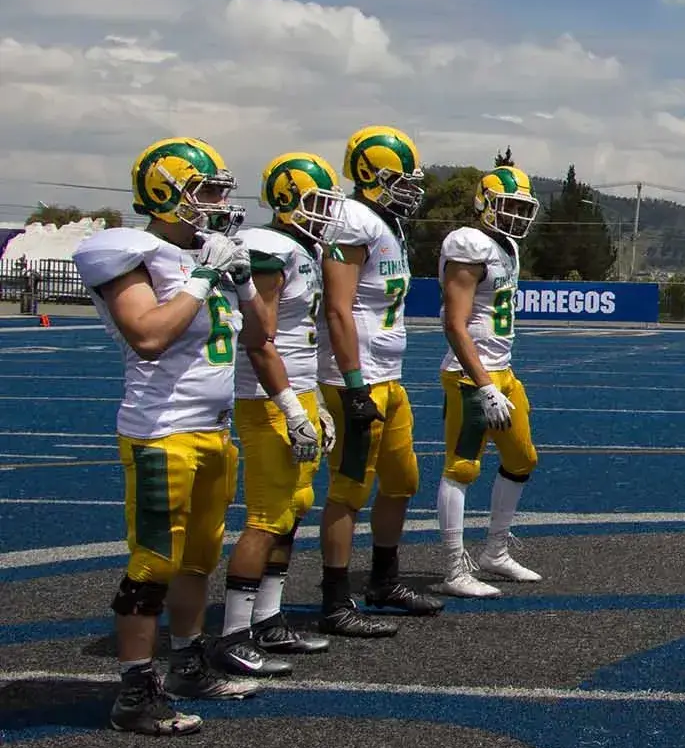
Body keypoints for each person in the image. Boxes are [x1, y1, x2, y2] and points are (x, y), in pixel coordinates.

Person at [73, 137, 266, 734]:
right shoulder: (132, 253)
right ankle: (135, 692)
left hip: (213, 431)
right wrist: (203, 279)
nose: (216, 201)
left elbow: (258, 337)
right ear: (164, 194)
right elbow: (149, 336)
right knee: (154, 562)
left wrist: (244, 283)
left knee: (198, 558)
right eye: (204, 190)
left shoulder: (209, 251)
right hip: (161, 433)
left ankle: (188, 664)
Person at [218, 152, 348, 676]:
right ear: (287, 198)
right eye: (317, 201)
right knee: (267, 517)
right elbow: (259, 336)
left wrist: (313, 399)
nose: (325, 212)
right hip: (269, 400)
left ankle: (268, 618)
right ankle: (232, 632)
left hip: (295, 393)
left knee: (293, 507)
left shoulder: (301, 247)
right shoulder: (269, 246)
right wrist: (291, 404)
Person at [315, 125, 442, 636]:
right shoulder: (352, 220)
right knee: (348, 491)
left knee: (402, 480)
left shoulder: (382, 222)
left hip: (388, 376)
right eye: (398, 178)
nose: (409, 188)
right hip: (357, 379)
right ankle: (335, 599)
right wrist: (352, 383)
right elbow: (338, 308)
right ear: (369, 175)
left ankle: (384, 580)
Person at [432, 153, 546, 597]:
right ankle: (453, 567)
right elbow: (454, 324)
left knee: (522, 459)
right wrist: (482, 385)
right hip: (469, 376)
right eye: (508, 205)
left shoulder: (506, 247)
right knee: (461, 468)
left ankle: (494, 551)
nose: (515, 215)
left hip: (503, 372)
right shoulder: (468, 244)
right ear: (483, 203)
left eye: (522, 208)